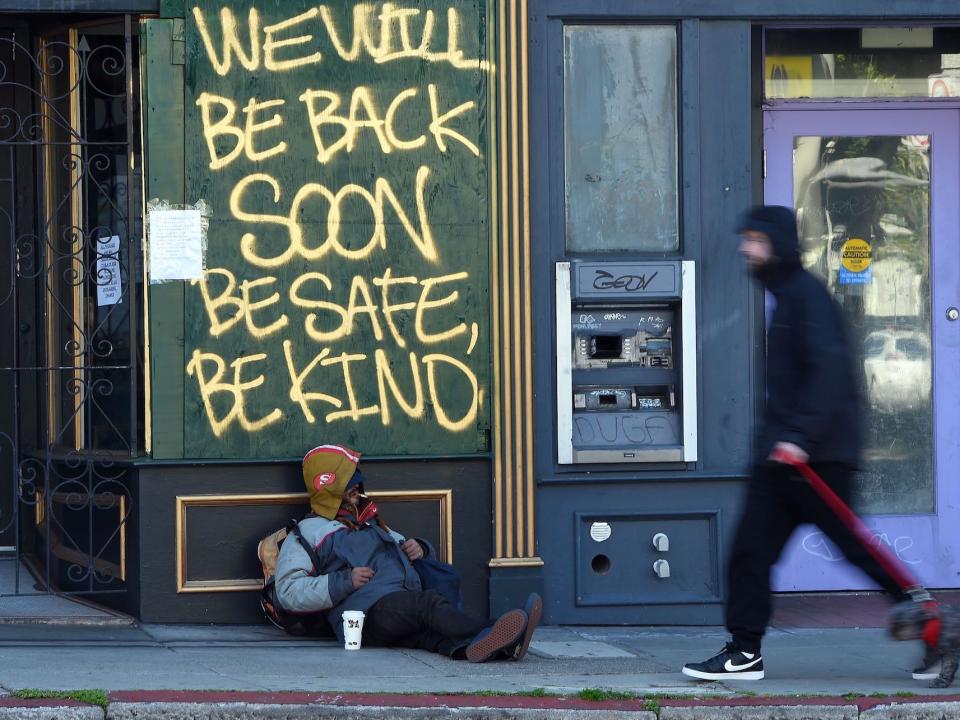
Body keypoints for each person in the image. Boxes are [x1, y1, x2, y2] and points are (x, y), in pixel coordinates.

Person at [682, 205, 932, 681]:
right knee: (750, 551)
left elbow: (830, 373)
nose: (746, 248)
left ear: (778, 243)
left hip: (816, 457)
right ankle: (744, 650)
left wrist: (799, 437)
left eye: (755, 240)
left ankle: (934, 625)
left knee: (854, 550)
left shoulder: (807, 298)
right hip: (784, 460)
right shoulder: (788, 297)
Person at [275, 443, 542, 661]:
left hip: (397, 599)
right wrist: (344, 580)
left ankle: (498, 649)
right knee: (427, 605)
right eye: (350, 487)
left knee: (430, 636)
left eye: (358, 486)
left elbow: (401, 546)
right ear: (330, 487)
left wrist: (420, 548)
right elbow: (288, 591)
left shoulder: (367, 519)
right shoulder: (307, 532)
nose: (357, 491)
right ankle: (494, 628)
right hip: (366, 610)